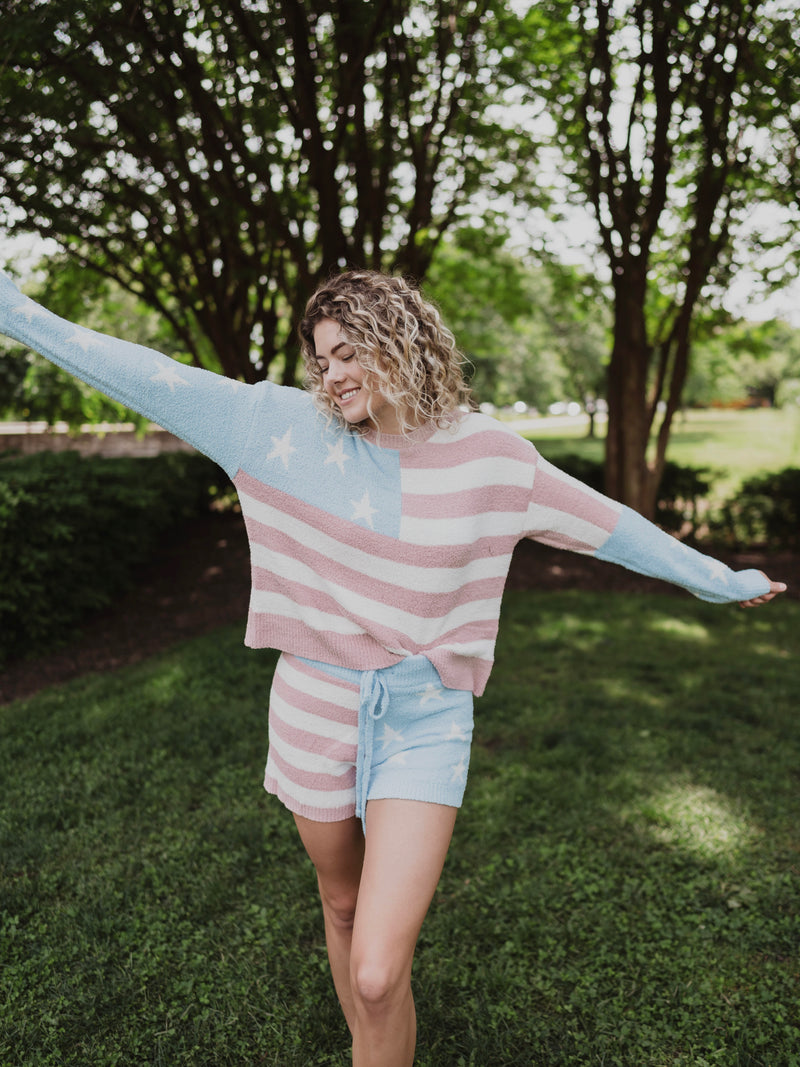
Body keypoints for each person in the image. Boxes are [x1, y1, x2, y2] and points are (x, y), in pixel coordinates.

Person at [0, 267, 785, 1066]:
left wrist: (715, 578)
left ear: (402, 339)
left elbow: (605, 523)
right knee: (341, 905)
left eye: (348, 352)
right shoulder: (274, 427)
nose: (331, 373)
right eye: (321, 358)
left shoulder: (492, 457)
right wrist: (14, 311)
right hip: (313, 706)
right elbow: (141, 370)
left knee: (378, 971)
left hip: (425, 718)